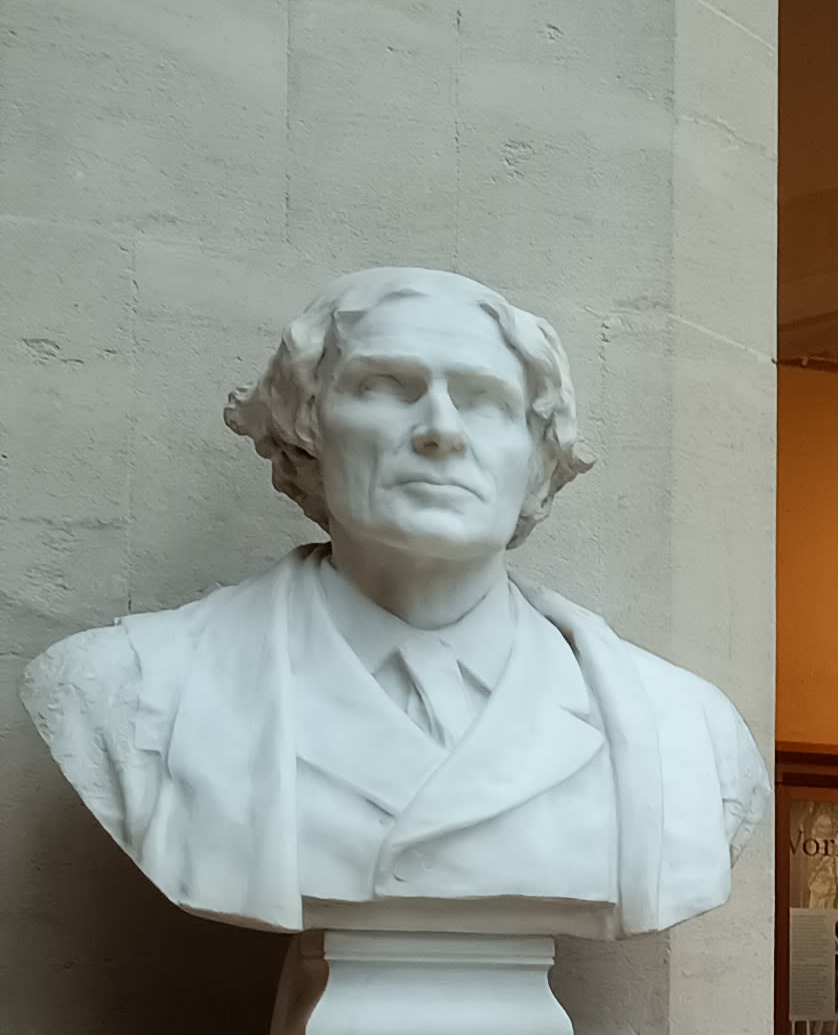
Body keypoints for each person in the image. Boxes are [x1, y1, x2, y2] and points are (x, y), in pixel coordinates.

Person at [26, 267, 762, 937]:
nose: (440, 431)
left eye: (486, 402)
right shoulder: (124, 684)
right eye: (385, 388)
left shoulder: (682, 729)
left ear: (539, 462)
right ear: (305, 434)